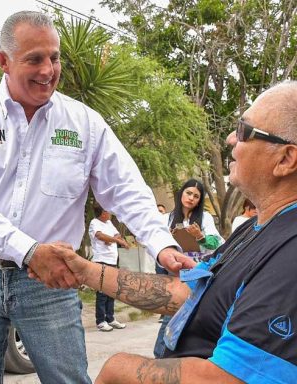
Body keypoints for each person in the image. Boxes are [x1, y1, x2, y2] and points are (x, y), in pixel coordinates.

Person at [0, 10, 192, 383]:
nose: (48, 70)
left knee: (68, 379)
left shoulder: (84, 123)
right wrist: (30, 251)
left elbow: (126, 189)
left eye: (54, 57)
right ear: (3, 62)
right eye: (34, 59)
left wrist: (161, 244)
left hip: (52, 281)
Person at [60, 80, 297, 383]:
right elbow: (186, 294)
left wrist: (119, 368)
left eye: (244, 132)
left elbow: (229, 378)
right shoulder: (256, 228)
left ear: (286, 159)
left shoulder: (289, 255)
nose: (229, 139)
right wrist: (84, 271)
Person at [153, 178, 224, 357]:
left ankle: (176, 355)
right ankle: (161, 355)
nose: (191, 198)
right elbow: (153, 241)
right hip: (172, 270)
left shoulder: (204, 218)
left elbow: (216, 242)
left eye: (196, 196)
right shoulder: (166, 218)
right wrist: (166, 239)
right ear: (181, 194)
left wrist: (200, 237)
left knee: (188, 311)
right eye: (188, 193)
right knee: (173, 311)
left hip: (196, 270)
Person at [89, 205, 129, 332]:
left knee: (111, 290)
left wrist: (111, 239)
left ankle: (110, 318)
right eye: (108, 211)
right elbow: (100, 236)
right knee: (102, 292)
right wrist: (115, 240)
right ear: (103, 213)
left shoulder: (109, 222)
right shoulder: (94, 223)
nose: (110, 213)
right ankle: (101, 321)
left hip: (112, 260)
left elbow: (117, 234)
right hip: (101, 260)